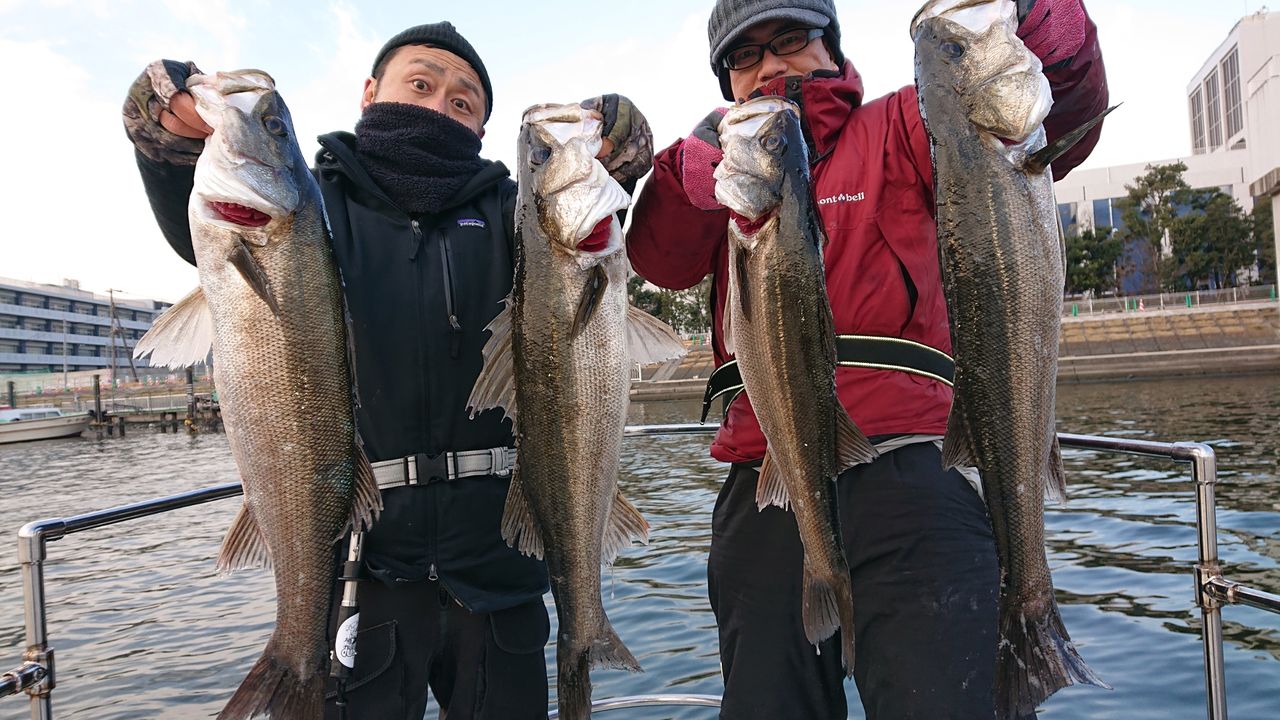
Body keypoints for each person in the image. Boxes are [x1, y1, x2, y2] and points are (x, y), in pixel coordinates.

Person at [122, 21, 653, 720]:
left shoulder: (511, 213)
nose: (439, 105)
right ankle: (292, 660)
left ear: (482, 128)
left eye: (463, 102)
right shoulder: (308, 204)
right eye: (421, 83)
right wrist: (164, 127)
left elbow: (577, 234)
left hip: (498, 569)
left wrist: (620, 149)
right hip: (361, 567)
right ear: (370, 93)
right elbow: (186, 195)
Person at [626, 1, 1108, 718]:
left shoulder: (905, 122)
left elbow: (1055, 117)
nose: (770, 64)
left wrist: (1039, 24)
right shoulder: (727, 177)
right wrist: (679, 175)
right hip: (766, 478)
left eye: (791, 38)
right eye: (744, 56)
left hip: (910, 466)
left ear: (831, 47)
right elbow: (660, 260)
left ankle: (1029, 607)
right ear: (726, 81)